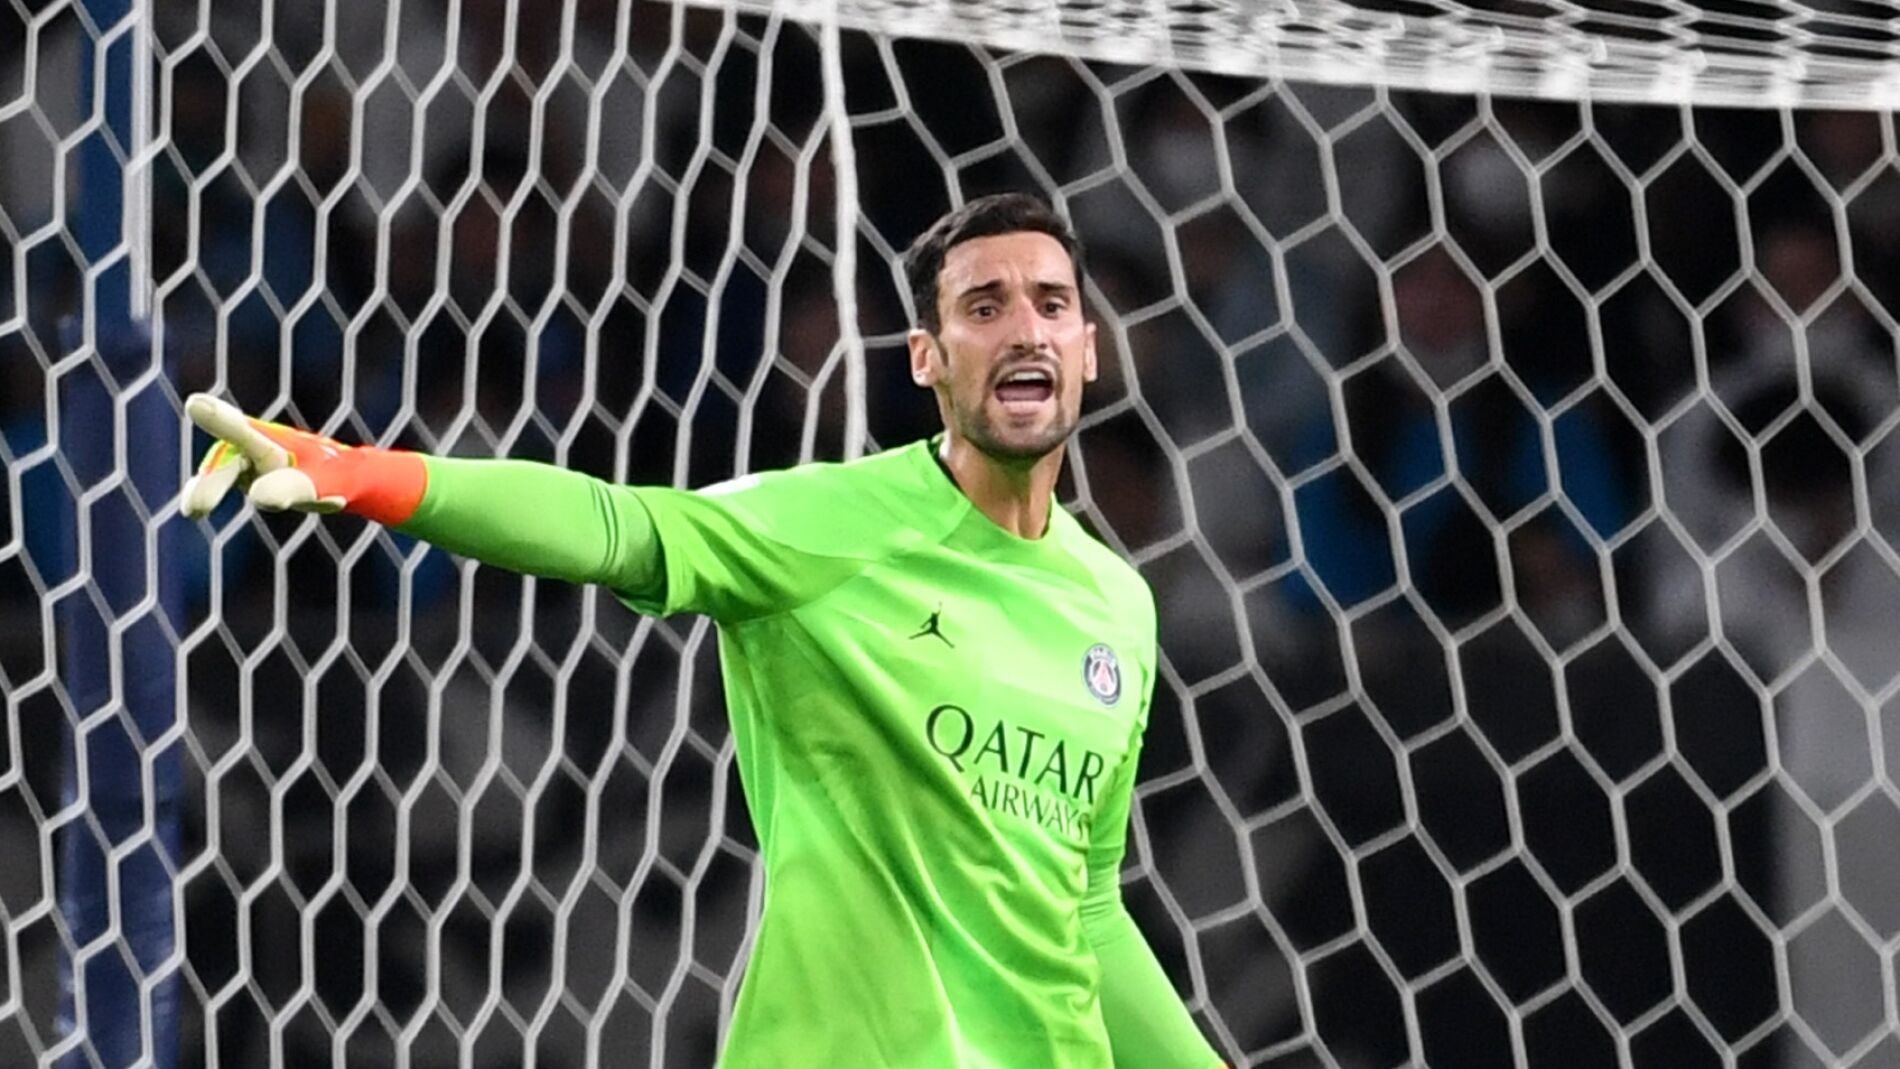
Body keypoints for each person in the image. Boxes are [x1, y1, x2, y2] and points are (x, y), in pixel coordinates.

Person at [179, 192, 1226, 1069]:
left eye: (1052, 304)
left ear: (1088, 349)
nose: (1026, 329)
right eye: (984, 306)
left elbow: (1085, 910)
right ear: (926, 358)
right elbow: (616, 526)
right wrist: (365, 474)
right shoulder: (833, 525)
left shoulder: (1114, 604)